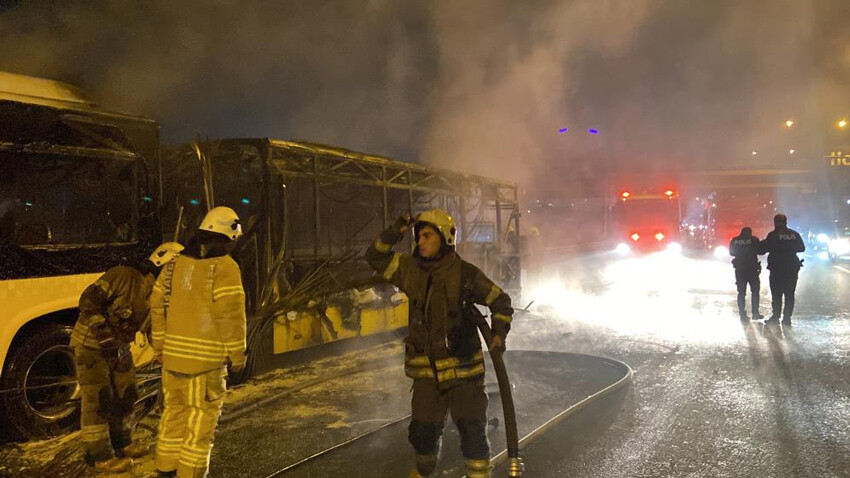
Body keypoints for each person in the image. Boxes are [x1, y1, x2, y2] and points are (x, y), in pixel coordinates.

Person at [366, 209, 514, 478]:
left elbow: (500, 301)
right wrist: (397, 228)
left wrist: (498, 333)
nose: (419, 242)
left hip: (464, 373)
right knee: (422, 435)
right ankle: (424, 471)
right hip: (426, 376)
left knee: (472, 433)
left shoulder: (466, 274)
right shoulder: (409, 271)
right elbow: (374, 256)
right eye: (417, 236)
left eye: (426, 236)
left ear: (445, 238)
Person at [71, 242, 184, 473]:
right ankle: (100, 456)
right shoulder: (123, 276)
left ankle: (123, 444)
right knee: (99, 398)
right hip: (91, 346)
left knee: (127, 392)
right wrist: (104, 337)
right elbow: (88, 301)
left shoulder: (157, 294)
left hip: (118, 348)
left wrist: (168, 358)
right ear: (163, 265)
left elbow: (154, 330)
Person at [151, 206, 247, 478]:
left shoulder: (173, 263)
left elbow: (157, 305)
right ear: (227, 236)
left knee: (173, 417)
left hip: (172, 362)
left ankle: (165, 470)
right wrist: (238, 355)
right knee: (199, 426)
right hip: (205, 368)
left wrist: (159, 348)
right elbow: (230, 316)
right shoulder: (225, 267)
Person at [758, 214, 805, 325]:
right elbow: (802, 248)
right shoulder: (794, 234)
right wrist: (789, 248)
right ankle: (787, 318)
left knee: (777, 294)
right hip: (791, 268)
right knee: (789, 294)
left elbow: (763, 250)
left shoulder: (773, 235)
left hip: (777, 269)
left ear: (775, 222)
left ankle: (776, 317)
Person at [729, 227, 762, 321]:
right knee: (755, 292)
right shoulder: (754, 240)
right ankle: (755, 313)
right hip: (752, 269)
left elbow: (731, 252)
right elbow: (760, 251)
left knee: (741, 292)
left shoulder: (735, 240)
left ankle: (742, 314)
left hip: (740, 269)